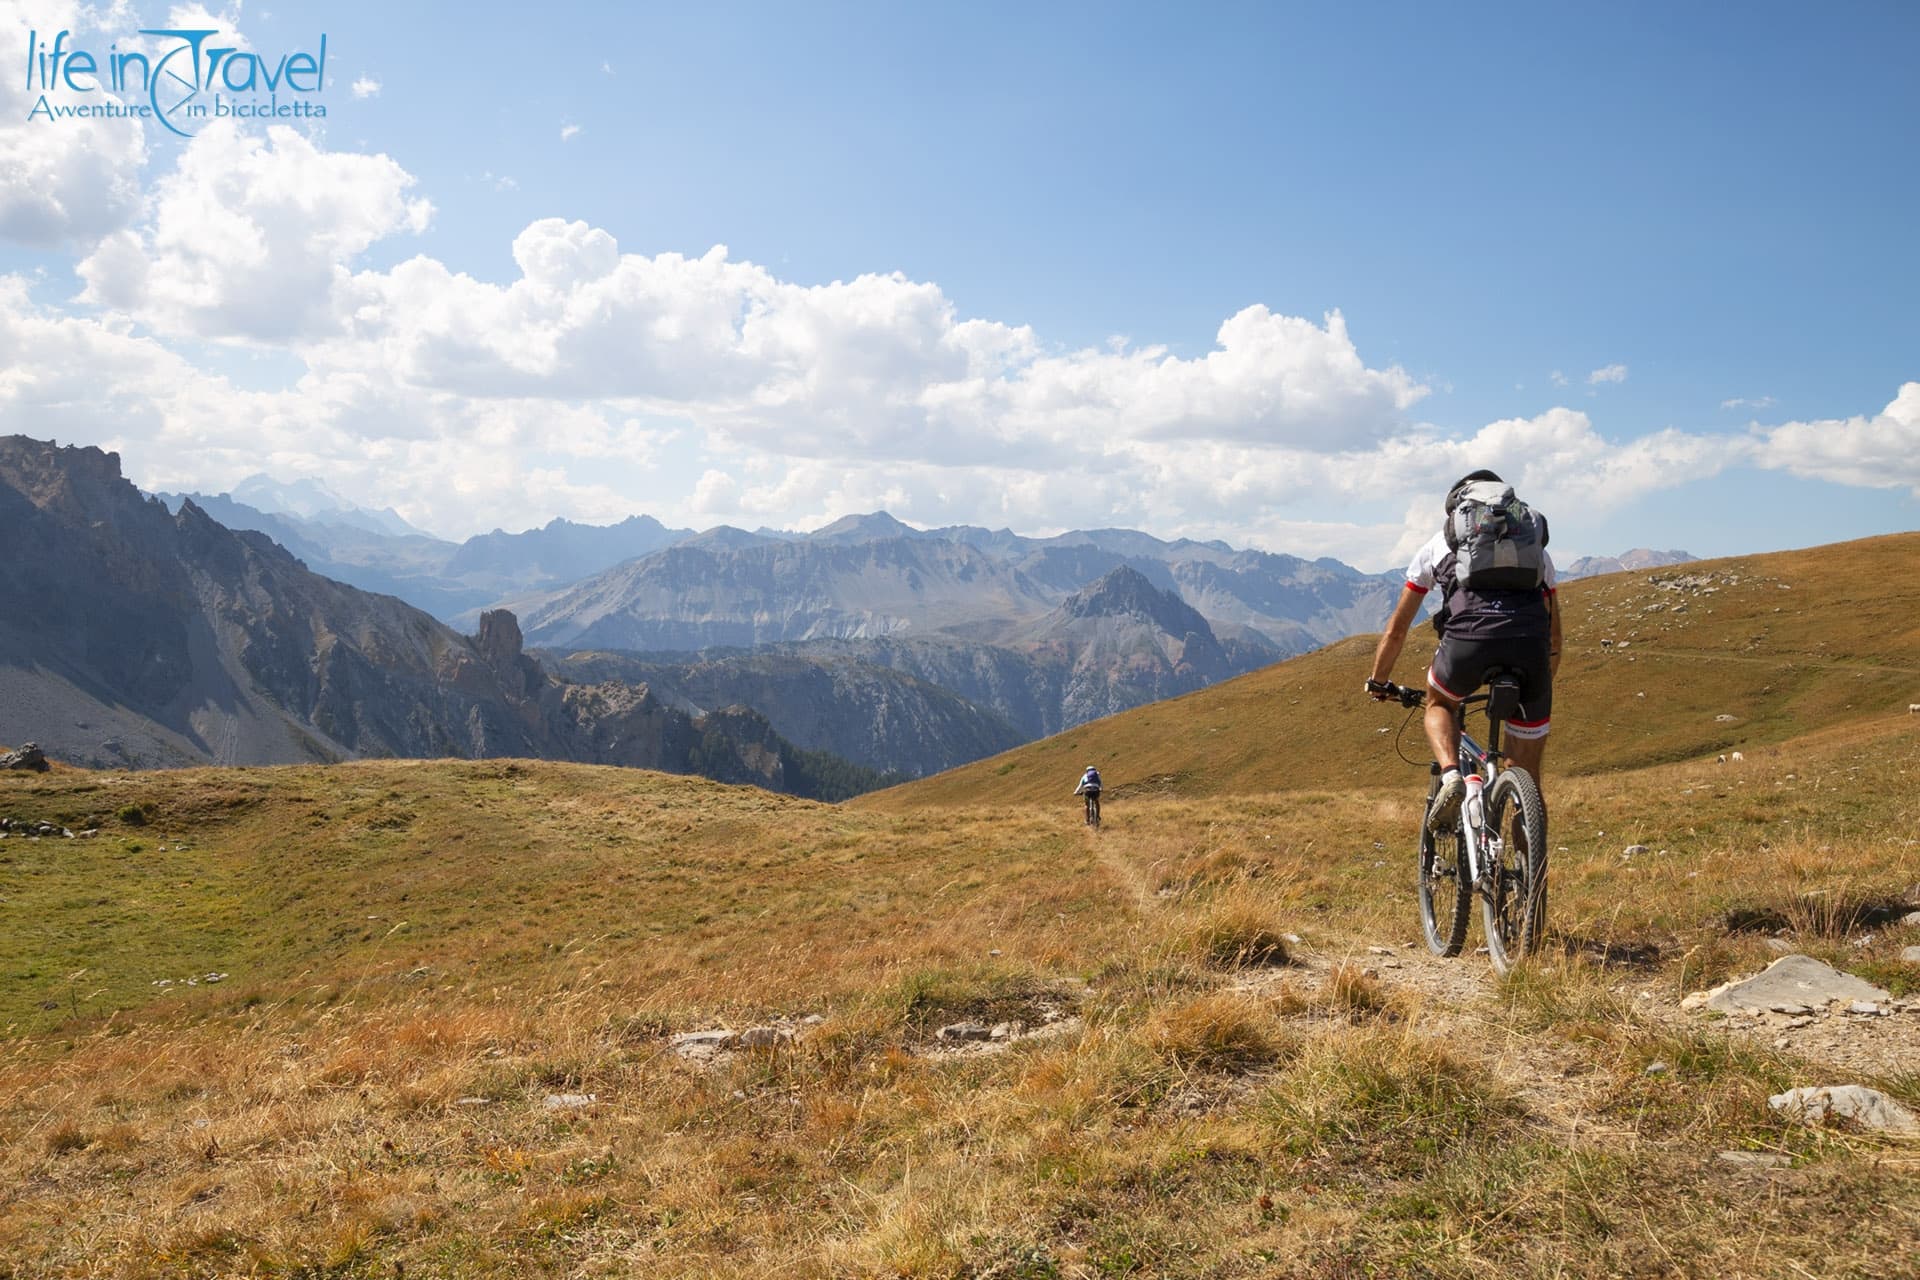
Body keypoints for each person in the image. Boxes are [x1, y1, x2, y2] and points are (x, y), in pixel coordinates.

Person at [1365, 469, 1562, 832]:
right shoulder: (1534, 550)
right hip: (1530, 649)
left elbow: (1397, 630)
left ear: (1459, 512)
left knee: (1440, 703)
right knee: (1527, 777)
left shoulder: (1437, 545)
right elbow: (1555, 637)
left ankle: (1452, 774)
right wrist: (1540, 683)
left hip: (1467, 645)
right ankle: (1531, 884)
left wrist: (1379, 681)